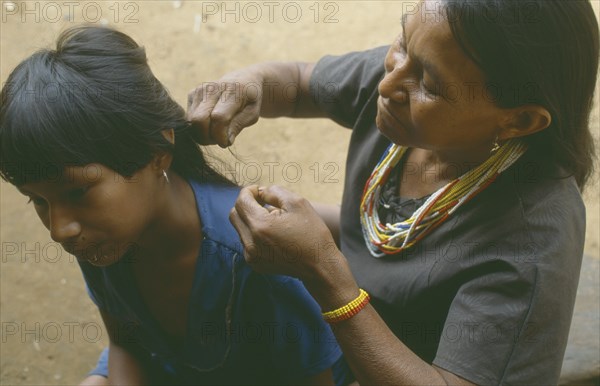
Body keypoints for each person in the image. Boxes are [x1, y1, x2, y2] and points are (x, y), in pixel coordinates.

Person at [186, 0, 599, 384]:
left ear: (520, 120)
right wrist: (248, 82)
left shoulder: (528, 245)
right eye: (401, 42)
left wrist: (325, 273)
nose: (387, 84)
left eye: (430, 86)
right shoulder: (409, 78)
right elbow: (296, 84)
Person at [0, 26, 354, 386]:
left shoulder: (258, 257)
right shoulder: (100, 238)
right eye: (39, 201)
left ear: (158, 153)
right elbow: (126, 343)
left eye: (78, 192)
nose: (60, 229)